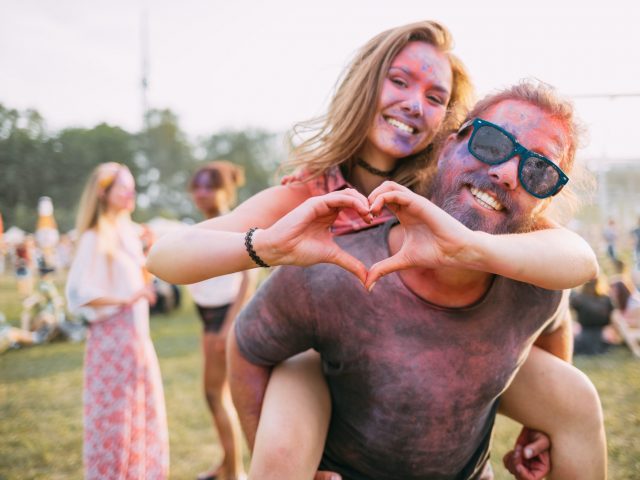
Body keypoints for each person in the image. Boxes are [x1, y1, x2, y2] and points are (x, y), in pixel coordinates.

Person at [147, 22, 598, 479]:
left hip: (441, 367)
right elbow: (166, 257)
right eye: (400, 81)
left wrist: (545, 412)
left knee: (576, 394)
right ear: (366, 83)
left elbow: (567, 258)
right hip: (330, 364)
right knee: (296, 374)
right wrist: (267, 245)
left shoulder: (453, 193)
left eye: (435, 97)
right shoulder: (309, 194)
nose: (414, 104)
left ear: (448, 127)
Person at [65, 162, 169, 479]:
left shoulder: (129, 232)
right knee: (115, 420)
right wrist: (127, 298)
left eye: (131, 185)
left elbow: (142, 279)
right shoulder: (95, 237)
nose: (130, 191)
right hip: (112, 342)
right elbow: (78, 293)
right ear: (104, 193)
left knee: (140, 416)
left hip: (137, 340)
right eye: (123, 186)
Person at [187, 162, 256, 480]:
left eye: (208, 186)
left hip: (224, 318)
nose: (201, 193)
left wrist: (228, 326)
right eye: (197, 186)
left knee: (219, 394)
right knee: (215, 395)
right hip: (209, 319)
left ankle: (235, 471)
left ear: (225, 190)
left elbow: (248, 276)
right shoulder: (204, 224)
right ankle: (228, 465)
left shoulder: (233, 223)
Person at [571, 277, 614, 355]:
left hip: (584, 333)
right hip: (602, 334)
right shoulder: (607, 299)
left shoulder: (579, 299)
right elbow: (611, 317)